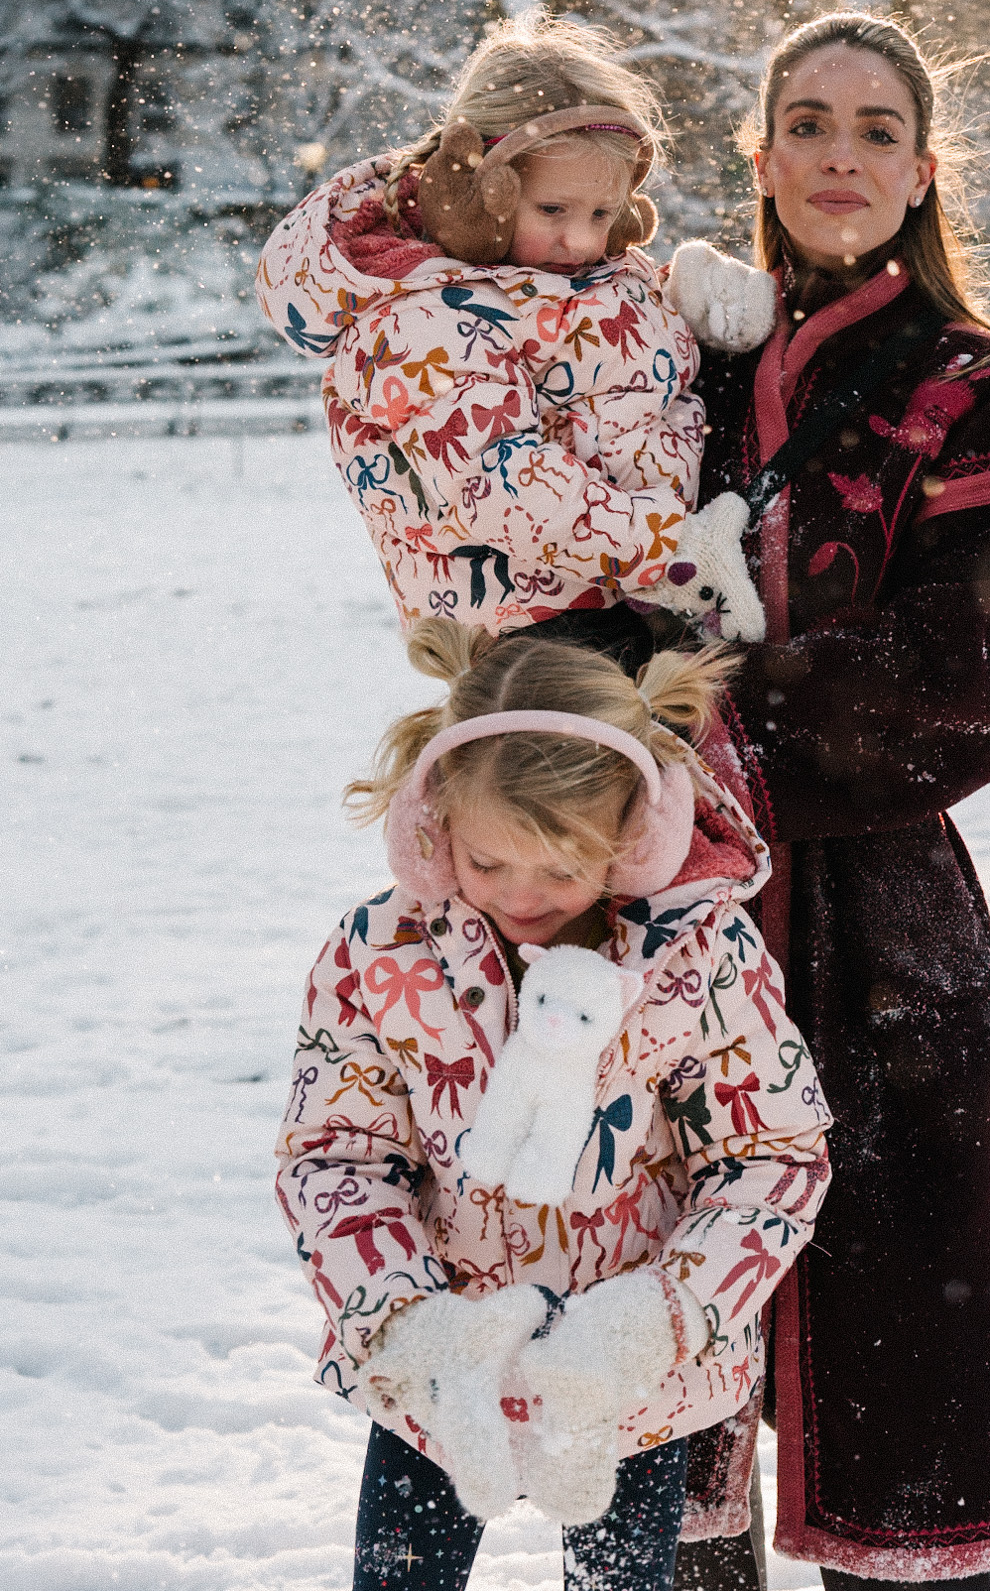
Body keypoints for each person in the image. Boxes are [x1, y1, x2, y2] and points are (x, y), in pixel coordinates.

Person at [665, 13, 990, 1588]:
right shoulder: (667, 367)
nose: (838, 152)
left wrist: (724, 731)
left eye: (873, 127)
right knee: (664, 1385)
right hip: (660, 923)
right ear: (761, 155)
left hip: (880, 926)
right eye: (806, 121)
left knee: (920, 1367)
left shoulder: (972, 387)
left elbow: (987, 648)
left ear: (922, 171)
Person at [276, 622, 831, 1591]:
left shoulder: (696, 961)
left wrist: (659, 1319)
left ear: (634, 835)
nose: (522, 895)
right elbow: (336, 1158)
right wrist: (407, 1323)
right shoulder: (379, 954)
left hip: (617, 1386)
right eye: (489, 863)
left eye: (563, 869)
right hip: (439, 1376)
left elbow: (771, 1155)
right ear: (435, 819)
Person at [255, 12, 762, 649]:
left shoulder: (558, 269)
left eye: (603, 213)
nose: (580, 239)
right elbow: (497, 485)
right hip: (535, 628)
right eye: (552, 209)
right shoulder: (420, 322)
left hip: (637, 594)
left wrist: (691, 298)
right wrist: (670, 549)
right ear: (474, 184)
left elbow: (597, 364)